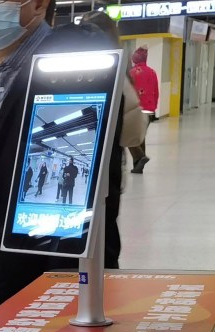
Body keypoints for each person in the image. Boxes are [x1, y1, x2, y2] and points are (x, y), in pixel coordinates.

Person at [0, 0, 113, 311]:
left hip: (47, 280)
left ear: (37, 4)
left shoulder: (74, 70)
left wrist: (67, 286)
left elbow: (97, 197)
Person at [77, 10, 147, 268]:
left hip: (76, 163)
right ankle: (104, 286)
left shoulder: (60, 66)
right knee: (104, 233)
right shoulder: (117, 70)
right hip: (107, 171)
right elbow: (133, 134)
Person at [129, 47, 159, 173]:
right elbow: (156, 92)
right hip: (149, 110)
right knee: (140, 137)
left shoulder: (132, 73)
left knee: (128, 136)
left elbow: (128, 92)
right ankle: (138, 166)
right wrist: (153, 108)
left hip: (136, 110)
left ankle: (141, 157)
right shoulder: (152, 72)